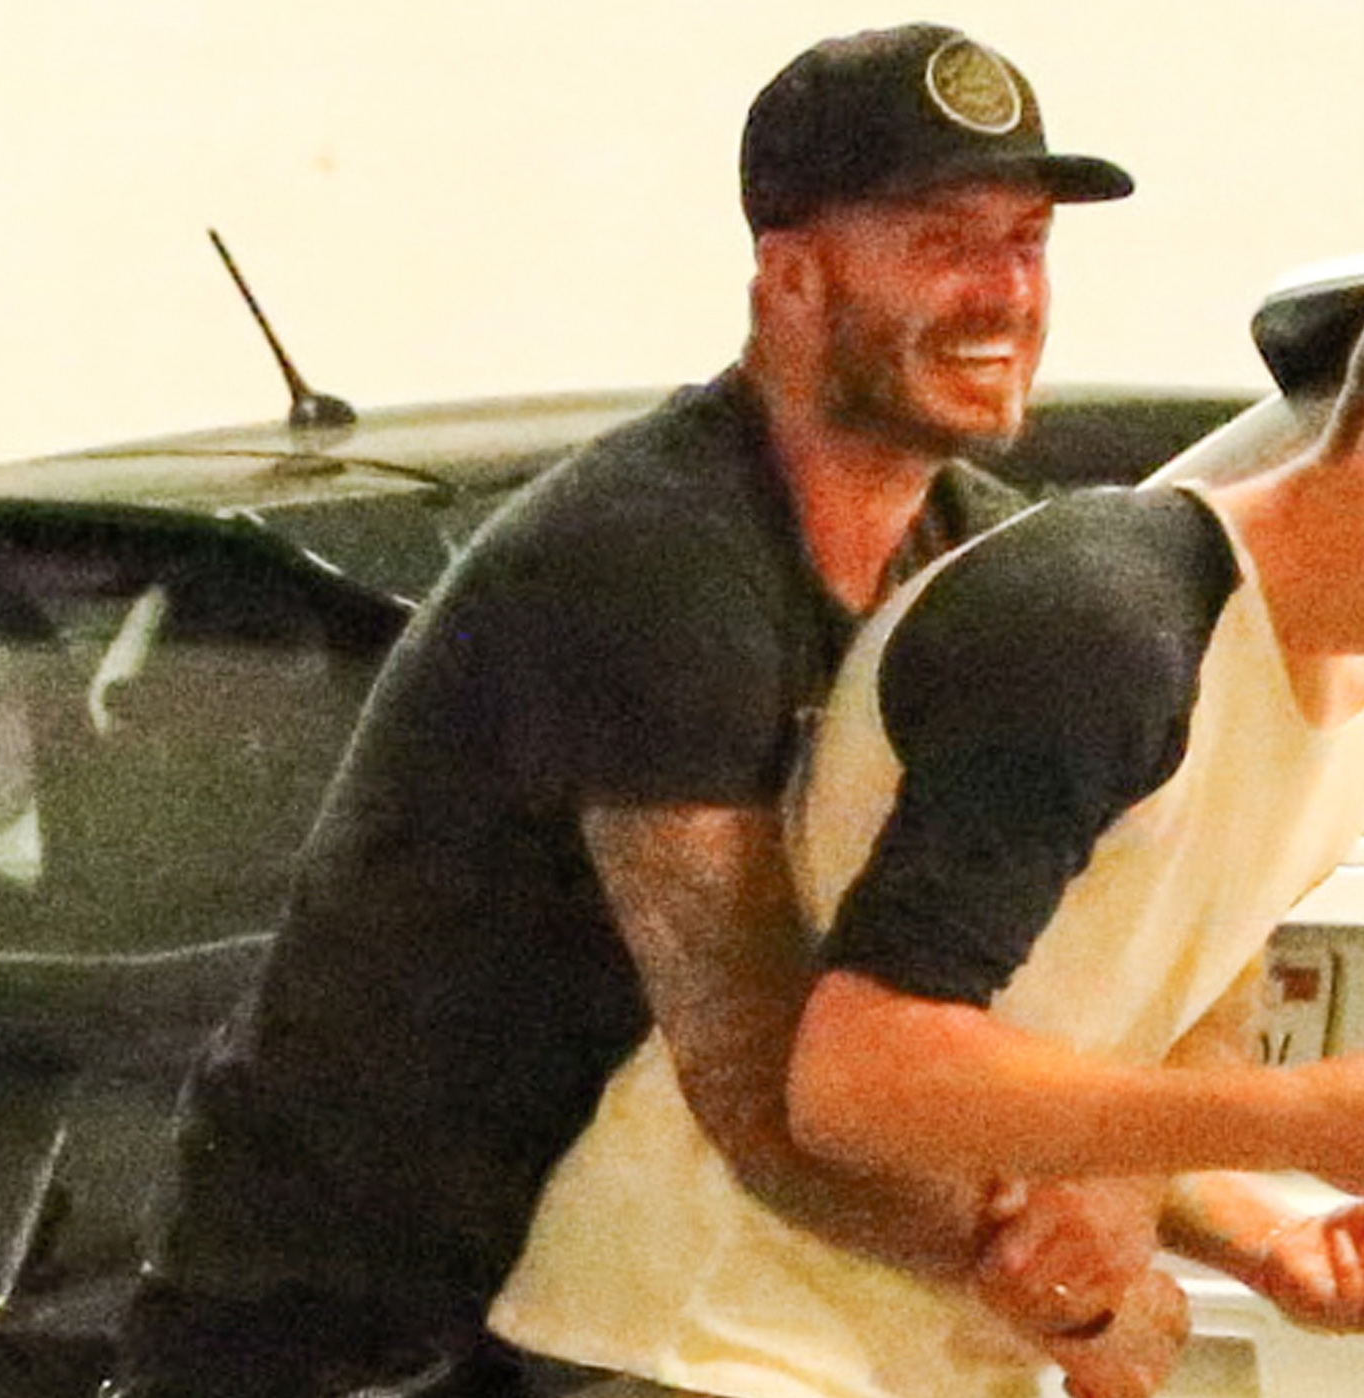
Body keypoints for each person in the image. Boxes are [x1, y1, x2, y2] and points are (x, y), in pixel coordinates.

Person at [488, 222, 1364, 1398]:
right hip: (703, 1344)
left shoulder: (1356, 700)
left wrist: (1262, 1239)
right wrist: (1302, 1123)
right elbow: (855, 1075)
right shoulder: (1102, 627)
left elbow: (1164, 1037)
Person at [108, 23, 1156, 1398]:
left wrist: (1215, 1216)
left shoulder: (980, 566)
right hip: (356, 1329)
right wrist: (1060, 1293)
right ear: (792, 276)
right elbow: (766, 1088)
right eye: (942, 242)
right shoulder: (650, 557)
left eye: (1026, 242)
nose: (1003, 293)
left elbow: (1115, 945)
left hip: (590, 1321)